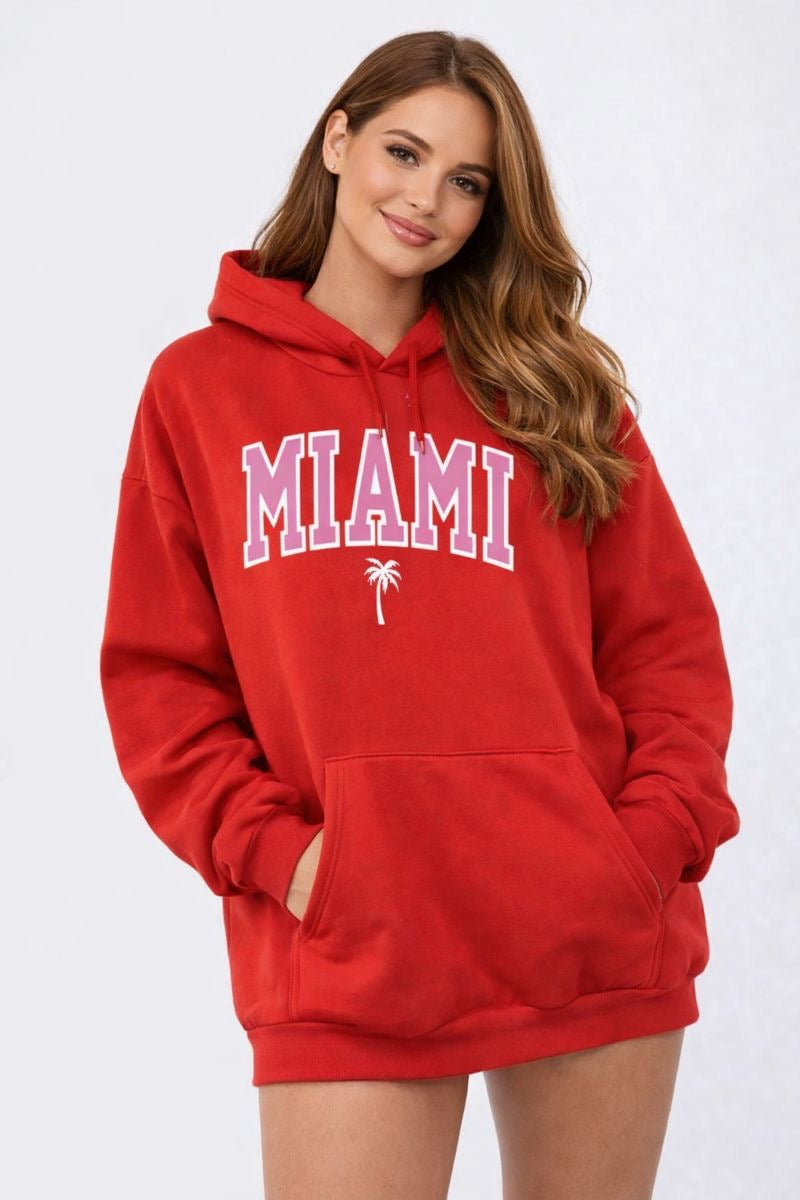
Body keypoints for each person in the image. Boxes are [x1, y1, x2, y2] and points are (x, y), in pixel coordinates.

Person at [99, 28, 741, 1200]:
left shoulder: (551, 385)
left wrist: (639, 849)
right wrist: (288, 862)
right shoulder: (199, 389)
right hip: (351, 948)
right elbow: (161, 681)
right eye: (403, 152)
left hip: (586, 931)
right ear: (336, 140)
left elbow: (665, 649)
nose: (425, 200)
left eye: (466, 181)